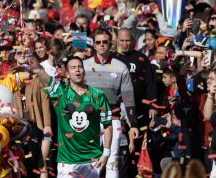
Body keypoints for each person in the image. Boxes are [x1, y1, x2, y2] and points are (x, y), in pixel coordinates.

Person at [83, 28, 137, 178]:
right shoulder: (83, 66)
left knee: (112, 161)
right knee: (89, 160)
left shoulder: (120, 67)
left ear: (110, 44)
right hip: (88, 119)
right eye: (98, 42)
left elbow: (128, 96)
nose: (101, 45)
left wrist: (133, 123)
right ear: (94, 45)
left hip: (112, 119)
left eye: (105, 42)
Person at [46, 55, 113, 178]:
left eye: (80, 67)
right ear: (67, 72)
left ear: (84, 70)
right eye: (73, 68)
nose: (77, 70)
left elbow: (108, 125)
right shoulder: (60, 93)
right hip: (67, 162)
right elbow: (42, 77)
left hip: (92, 160)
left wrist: (106, 154)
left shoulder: (98, 95)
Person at [114, 27, 158, 178]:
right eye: (122, 41)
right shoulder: (112, 59)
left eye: (128, 40)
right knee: (120, 148)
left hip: (139, 111)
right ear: (117, 41)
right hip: (117, 113)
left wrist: (153, 105)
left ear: (132, 41)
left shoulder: (141, 58)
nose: (125, 44)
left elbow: (150, 84)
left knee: (139, 147)